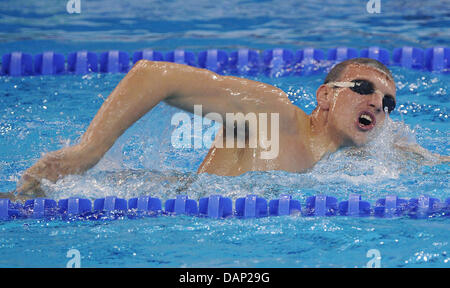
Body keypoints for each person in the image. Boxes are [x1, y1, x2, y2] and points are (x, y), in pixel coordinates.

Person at [3, 57, 448, 201]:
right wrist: (87, 152)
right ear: (326, 96)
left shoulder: (359, 158)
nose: (377, 102)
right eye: (363, 87)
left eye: (387, 102)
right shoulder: (269, 114)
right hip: (152, 201)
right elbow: (153, 75)